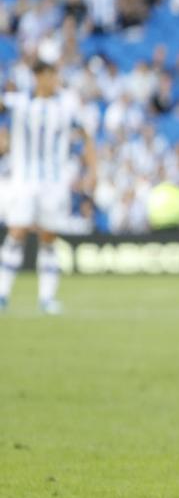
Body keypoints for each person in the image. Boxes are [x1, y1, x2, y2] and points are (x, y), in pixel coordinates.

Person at [0, 59, 96, 315]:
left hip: (54, 182)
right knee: (17, 231)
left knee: (49, 237)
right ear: (37, 77)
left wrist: (93, 170)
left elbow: (86, 136)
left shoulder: (66, 105)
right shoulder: (19, 102)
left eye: (55, 75)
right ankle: (2, 293)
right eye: (48, 75)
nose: (53, 80)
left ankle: (46, 298)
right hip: (24, 180)